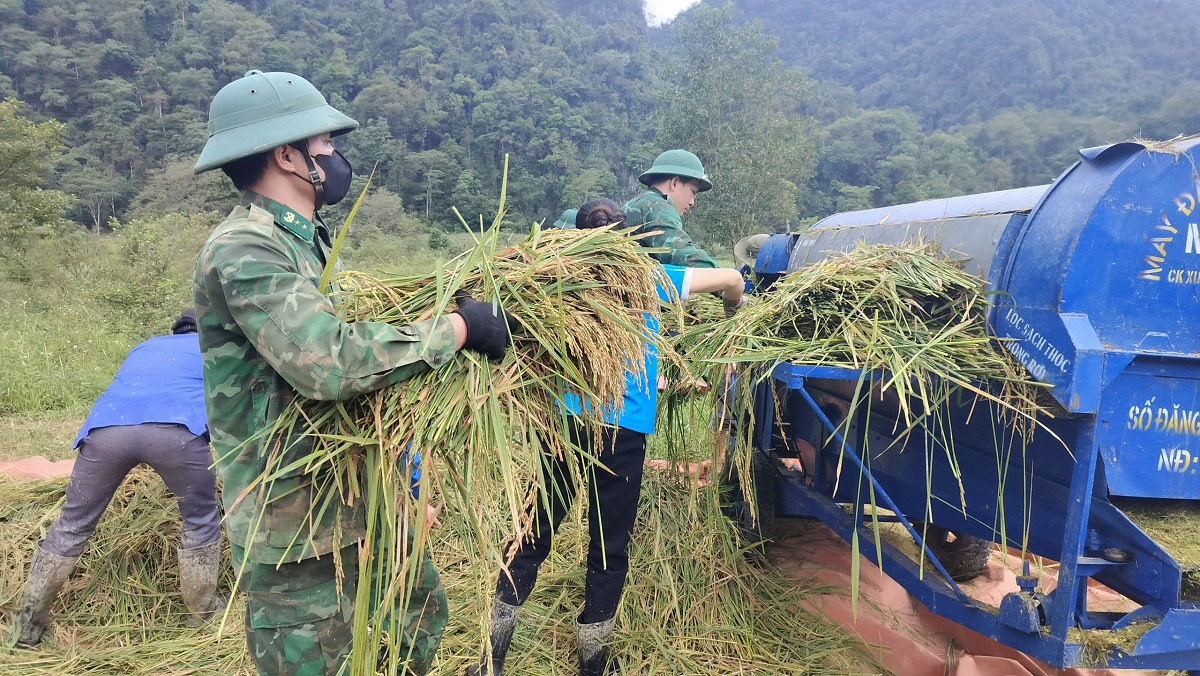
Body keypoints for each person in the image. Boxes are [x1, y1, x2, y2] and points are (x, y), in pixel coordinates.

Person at [191, 70, 515, 676]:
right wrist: (460, 331)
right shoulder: (245, 249)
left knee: (416, 620)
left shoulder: (306, 243)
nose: (335, 157)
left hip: (356, 498)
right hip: (296, 522)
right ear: (287, 155)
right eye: (325, 145)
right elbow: (331, 363)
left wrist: (398, 485)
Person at [469, 199, 744, 676]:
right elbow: (733, 280)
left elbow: (493, 293)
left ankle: (490, 662)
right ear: (628, 240)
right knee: (608, 548)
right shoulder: (649, 279)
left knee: (532, 534)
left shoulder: (560, 281)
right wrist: (731, 314)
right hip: (623, 431)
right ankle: (593, 667)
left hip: (561, 423)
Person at [16, 309, 224, 647]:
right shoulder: (214, 349)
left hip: (106, 432)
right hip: (176, 434)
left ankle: (28, 626)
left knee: (72, 524)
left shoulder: (145, 346)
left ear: (176, 331)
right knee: (200, 520)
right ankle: (203, 613)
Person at [622, 149, 719, 268]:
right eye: (693, 192)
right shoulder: (657, 206)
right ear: (674, 183)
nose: (692, 202)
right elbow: (685, 258)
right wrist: (728, 278)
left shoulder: (639, 203)